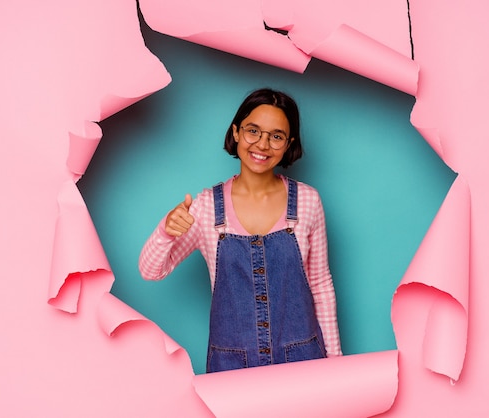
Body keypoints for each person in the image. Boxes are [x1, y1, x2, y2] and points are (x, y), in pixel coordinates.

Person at [139, 88, 342, 373]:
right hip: (231, 365)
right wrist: (166, 231)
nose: (262, 144)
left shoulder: (308, 201)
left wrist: (335, 362)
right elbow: (151, 271)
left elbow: (321, 285)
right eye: (253, 131)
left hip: (304, 359)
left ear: (288, 143)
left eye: (276, 136)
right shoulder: (207, 206)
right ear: (236, 132)